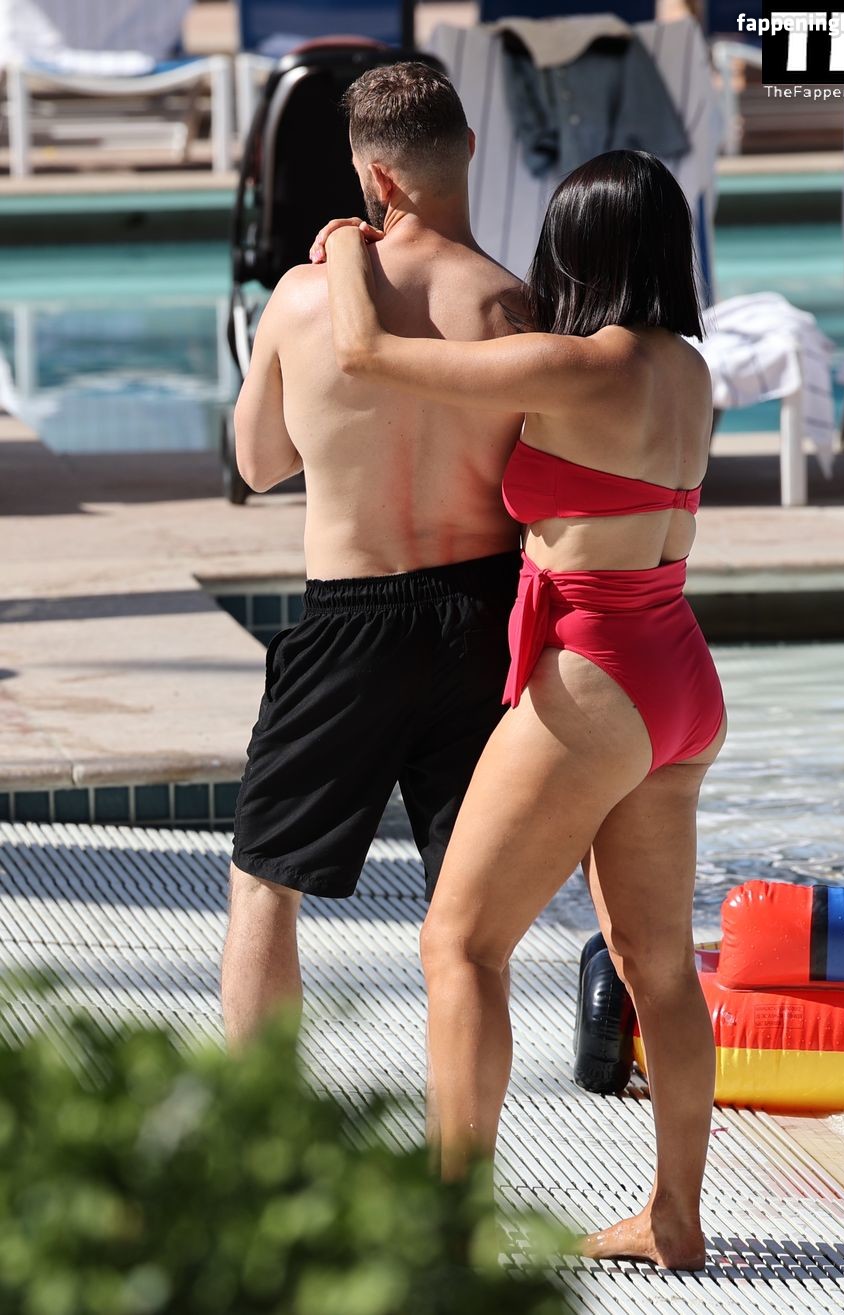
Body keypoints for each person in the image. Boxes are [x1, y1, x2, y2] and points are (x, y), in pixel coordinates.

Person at [320, 149, 728, 1272]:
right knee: (657, 966)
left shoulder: (577, 366)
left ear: (576, 250)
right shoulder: (688, 370)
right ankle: (675, 1216)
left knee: (460, 942)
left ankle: (454, 1228)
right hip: (678, 671)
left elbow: (366, 354)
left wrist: (349, 244)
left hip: (598, 671)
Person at [221, 63, 525, 1049]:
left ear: (374, 177)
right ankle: (462, 1147)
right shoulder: (514, 310)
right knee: (469, 926)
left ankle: (258, 1128)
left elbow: (259, 463)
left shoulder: (304, 299)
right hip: (484, 618)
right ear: (468, 149)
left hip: (350, 618)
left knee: (266, 882)